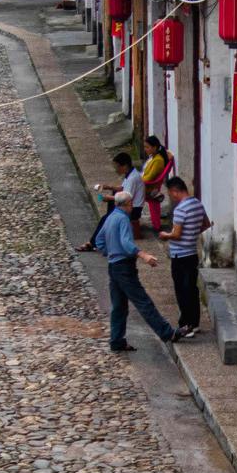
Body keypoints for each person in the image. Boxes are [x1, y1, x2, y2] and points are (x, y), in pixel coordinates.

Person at [92, 189, 175, 351]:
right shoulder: (123, 219)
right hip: (124, 267)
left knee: (119, 306)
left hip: (113, 266)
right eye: (131, 204)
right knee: (143, 301)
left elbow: (99, 241)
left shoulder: (110, 218)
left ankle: (116, 340)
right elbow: (126, 243)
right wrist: (143, 255)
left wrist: (110, 252)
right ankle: (167, 332)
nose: (132, 207)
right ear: (126, 205)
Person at [158, 174, 210, 339]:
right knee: (192, 289)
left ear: (174, 191)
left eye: (170, 193)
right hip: (192, 253)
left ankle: (185, 325)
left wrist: (165, 235)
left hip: (179, 255)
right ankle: (195, 323)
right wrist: (192, 233)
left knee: (182, 291)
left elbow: (177, 235)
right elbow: (206, 225)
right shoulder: (197, 204)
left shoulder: (180, 209)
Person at [77, 153, 144, 250]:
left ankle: (92, 243)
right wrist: (108, 186)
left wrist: (109, 198)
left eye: (117, 167)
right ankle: (109, 216)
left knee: (105, 218)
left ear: (124, 166)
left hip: (134, 209)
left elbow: (126, 197)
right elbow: (122, 188)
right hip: (129, 205)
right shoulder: (130, 174)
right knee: (113, 194)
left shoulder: (133, 178)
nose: (116, 169)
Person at [140, 134, 174, 234]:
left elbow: (148, 178)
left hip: (148, 188)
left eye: (147, 147)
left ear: (155, 147)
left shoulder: (158, 161)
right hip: (146, 185)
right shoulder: (154, 157)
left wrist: (137, 180)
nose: (145, 149)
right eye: (144, 147)